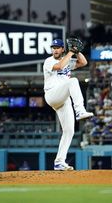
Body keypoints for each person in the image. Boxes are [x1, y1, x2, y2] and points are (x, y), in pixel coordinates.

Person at [43, 38, 93, 171]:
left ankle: (59, 162)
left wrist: (77, 52)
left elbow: (83, 62)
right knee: (73, 81)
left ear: (62, 49)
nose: (55, 50)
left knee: (69, 131)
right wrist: (71, 53)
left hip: (63, 99)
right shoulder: (49, 61)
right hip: (52, 94)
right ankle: (80, 110)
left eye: (58, 47)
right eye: (53, 47)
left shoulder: (68, 60)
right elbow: (59, 66)